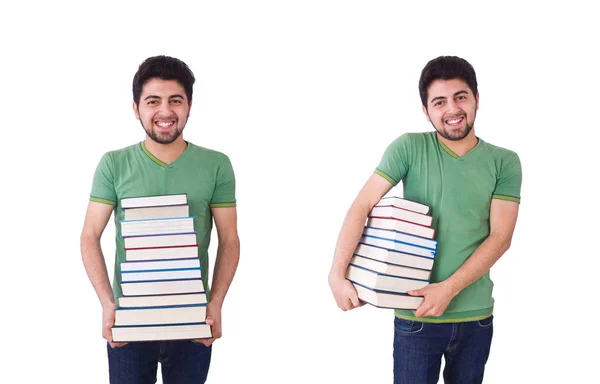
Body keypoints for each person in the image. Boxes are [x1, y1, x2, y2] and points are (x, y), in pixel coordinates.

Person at [328, 56, 521, 384]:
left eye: (460, 97)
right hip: (415, 316)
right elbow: (361, 206)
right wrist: (336, 274)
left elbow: (501, 236)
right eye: (439, 101)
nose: (452, 109)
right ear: (426, 110)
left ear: (476, 98)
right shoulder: (408, 148)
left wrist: (447, 290)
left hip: (475, 318)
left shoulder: (505, 162)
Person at [80, 55, 240, 384]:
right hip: (129, 321)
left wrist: (217, 303)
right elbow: (89, 235)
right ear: (136, 107)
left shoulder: (216, 165)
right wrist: (107, 304)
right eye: (153, 101)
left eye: (175, 101)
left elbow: (230, 239)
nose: (165, 112)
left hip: (193, 320)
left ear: (190, 105)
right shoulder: (113, 164)